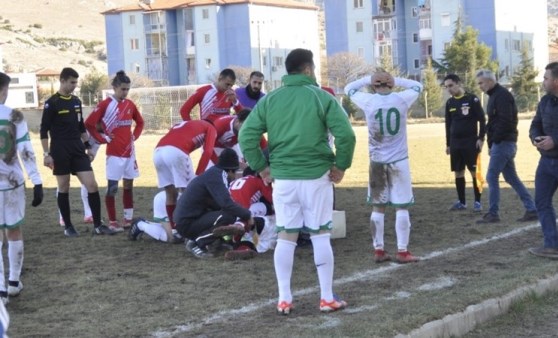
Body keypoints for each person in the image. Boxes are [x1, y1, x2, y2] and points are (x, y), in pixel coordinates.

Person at [239, 48, 356, 315]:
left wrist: (262, 168)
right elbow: (346, 136)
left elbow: (246, 136)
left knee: (286, 236)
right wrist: (340, 166)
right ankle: (326, 297)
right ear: (307, 69)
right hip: (316, 176)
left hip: (284, 179)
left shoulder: (271, 99)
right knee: (320, 234)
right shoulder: (321, 97)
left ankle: (284, 298)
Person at [345, 70, 422, 265]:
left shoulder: (368, 101)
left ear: (373, 85)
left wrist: (366, 80)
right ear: (391, 84)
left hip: (377, 161)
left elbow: (348, 89)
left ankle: (379, 250)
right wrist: (398, 81)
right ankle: (402, 251)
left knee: (378, 207)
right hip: (399, 161)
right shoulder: (401, 98)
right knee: (401, 207)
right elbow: (418, 86)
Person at [41, 67, 116, 237]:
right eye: (72, 82)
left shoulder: (76, 101)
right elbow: (43, 130)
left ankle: (98, 225)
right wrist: (46, 154)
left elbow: (81, 126)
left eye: (76, 82)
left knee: (92, 184)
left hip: (77, 148)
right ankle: (68, 226)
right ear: (62, 81)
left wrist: (88, 145)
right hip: (59, 149)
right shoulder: (51, 103)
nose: (75, 85)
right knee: (64, 186)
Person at [0, 72, 44, 304]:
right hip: (12, 184)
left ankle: (1, 291)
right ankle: (14, 282)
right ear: (4, 90)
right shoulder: (15, 116)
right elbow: (26, 150)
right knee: (14, 230)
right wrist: (37, 180)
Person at [85, 70, 144, 232]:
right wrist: (103, 138)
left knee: (129, 186)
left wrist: (135, 136)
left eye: (127, 89)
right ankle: (112, 221)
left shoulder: (130, 104)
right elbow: (89, 123)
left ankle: (128, 219)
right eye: (122, 89)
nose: (125, 92)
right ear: (115, 88)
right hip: (114, 154)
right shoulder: (105, 104)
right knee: (112, 188)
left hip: (130, 153)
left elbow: (140, 122)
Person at [475, 70, 537, 224]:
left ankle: (493, 213)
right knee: (511, 178)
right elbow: (494, 123)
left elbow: (505, 121)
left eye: (481, 82)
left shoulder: (502, 96)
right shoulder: (495, 96)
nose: (480, 86)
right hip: (502, 143)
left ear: (490, 81)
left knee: (491, 176)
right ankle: (532, 209)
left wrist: (495, 141)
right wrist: (491, 143)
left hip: (504, 143)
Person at [173, 149, 254, 258]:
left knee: (224, 212)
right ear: (230, 170)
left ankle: (216, 242)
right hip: (187, 223)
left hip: (186, 220)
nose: (234, 177)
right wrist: (247, 214)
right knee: (229, 215)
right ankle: (197, 242)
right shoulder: (218, 175)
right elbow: (226, 204)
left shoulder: (212, 173)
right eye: (234, 172)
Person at [152, 119, 217, 232]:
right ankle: (189, 227)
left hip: (157, 151)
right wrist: (198, 174)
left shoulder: (188, 123)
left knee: (170, 193)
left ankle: (175, 229)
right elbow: (208, 152)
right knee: (190, 193)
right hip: (177, 151)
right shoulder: (211, 128)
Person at [443, 74, 486, 212]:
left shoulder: (472, 99)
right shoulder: (450, 103)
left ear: (458, 83)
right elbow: (448, 125)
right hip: (456, 144)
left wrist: (481, 138)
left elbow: (482, 119)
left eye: (450, 85)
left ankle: (478, 202)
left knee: (474, 172)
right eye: (446, 87)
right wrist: (448, 144)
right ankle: (462, 202)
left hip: (470, 142)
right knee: (458, 172)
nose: (448, 89)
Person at [528, 62, 558, 258]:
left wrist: (555, 140)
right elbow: (535, 124)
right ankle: (552, 245)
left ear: (556, 81)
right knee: (541, 201)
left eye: (546, 78)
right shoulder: (545, 101)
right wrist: (536, 138)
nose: (543, 81)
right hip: (546, 162)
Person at [225, 168, 275, 260]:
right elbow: (273, 200)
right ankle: (239, 228)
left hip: (227, 211)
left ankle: (237, 243)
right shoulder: (259, 181)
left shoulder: (238, 181)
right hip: (244, 212)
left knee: (247, 235)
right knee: (266, 208)